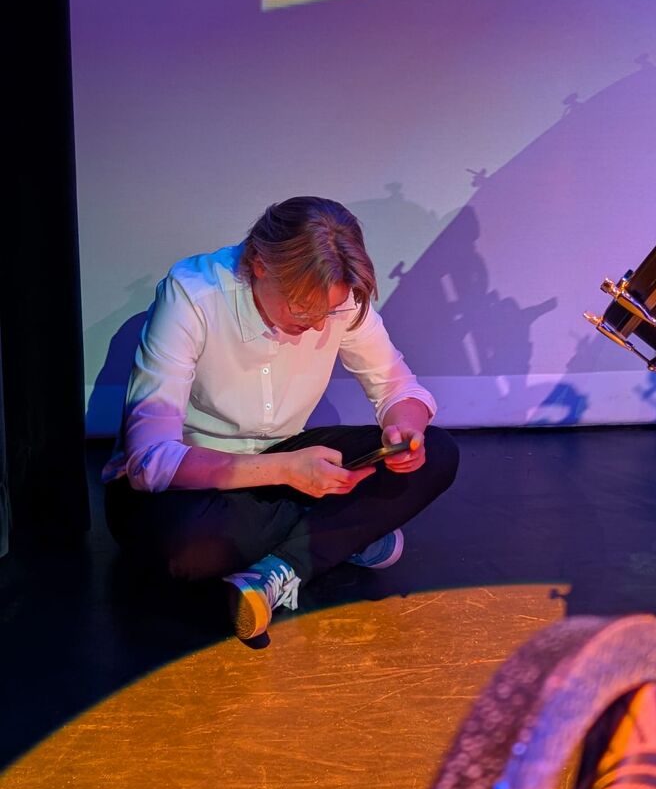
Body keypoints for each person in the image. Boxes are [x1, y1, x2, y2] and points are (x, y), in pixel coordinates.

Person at [103, 196, 459, 640]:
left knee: (438, 452)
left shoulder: (339, 297)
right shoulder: (193, 295)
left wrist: (405, 430)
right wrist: (286, 471)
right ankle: (339, 534)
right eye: (301, 309)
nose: (317, 326)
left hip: (282, 461)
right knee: (191, 548)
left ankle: (278, 569)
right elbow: (150, 462)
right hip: (191, 478)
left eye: (328, 312)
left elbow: (399, 389)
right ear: (259, 265)